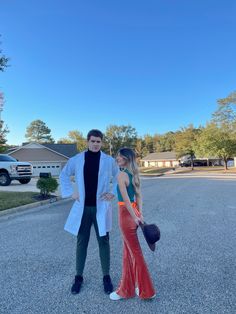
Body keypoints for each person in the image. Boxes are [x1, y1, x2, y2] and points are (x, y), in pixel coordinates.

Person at [60, 129, 119, 295]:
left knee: (104, 242)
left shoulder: (108, 161)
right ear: (87, 142)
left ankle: (106, 277)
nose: (95, 144)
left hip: (101, 207)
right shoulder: (77, 159)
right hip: (83, 208)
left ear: (102, 143)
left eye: (98, 141)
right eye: (92, 141)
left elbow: (118, 177)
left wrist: (113, 192)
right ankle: (78, 277)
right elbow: (64, 175)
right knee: (81, 242)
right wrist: (72, 192)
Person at [109, 147, 156, 301]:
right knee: (128, 253)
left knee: (135, 253)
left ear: (126, 159)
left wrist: (133, 215)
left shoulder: (122, 175)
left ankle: (146, 290)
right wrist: (139, 214)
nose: (117, 158)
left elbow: (126, 200)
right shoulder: (133, 174)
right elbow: (139, 197)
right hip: (134, 213)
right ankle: (130, 287)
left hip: (125, 213)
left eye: (119, 157)